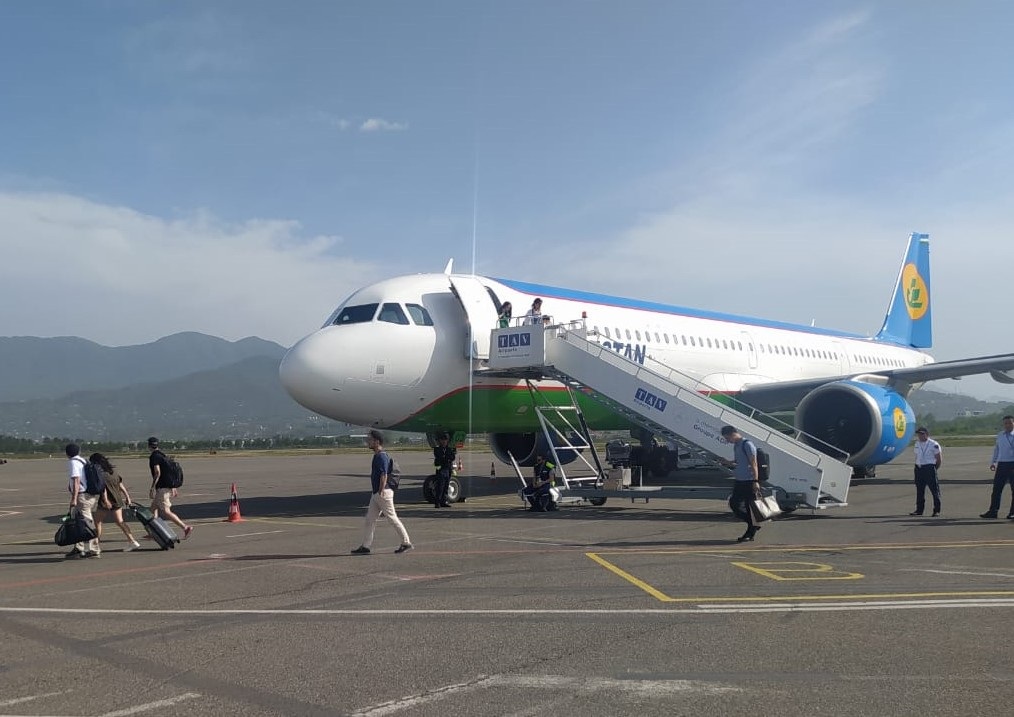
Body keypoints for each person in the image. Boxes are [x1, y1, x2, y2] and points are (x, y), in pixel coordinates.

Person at [351, 430, 413, 554]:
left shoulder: (381, 456)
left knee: (392, 518)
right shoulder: (378, 455)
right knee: (370, 519)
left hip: (383, 492)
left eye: (370, 439)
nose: (368, 442)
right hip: (377, 493)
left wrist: (381, 490)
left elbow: (384, 474)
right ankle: (366, 546)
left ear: (377, 441)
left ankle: (406, 542)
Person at [91, 453, 141, 551]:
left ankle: (95, 545)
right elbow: (120, 484)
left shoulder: (100, 474)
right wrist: (127, 496)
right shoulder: (113, 471)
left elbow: (103, 489)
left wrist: (105, 500)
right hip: (117, 499)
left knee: (97, 521)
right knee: (120, 521)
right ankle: (132, 541)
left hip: (106, 500)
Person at [720, 425, 761, 542]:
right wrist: (728, 462)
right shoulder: (736, 445)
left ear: (733, 434)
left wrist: (755, 481)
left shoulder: (747, 444)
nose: (727, 441)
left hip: (749, 481)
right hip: (739, 480)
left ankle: (750, 532)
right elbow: (739, 462)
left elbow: (754, 464)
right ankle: (753, 524)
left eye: (727, 438)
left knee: (749, 507)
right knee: (734, 504)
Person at [147, 437, 193, 539]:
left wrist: (152, 488)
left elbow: (157, 472)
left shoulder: (154, 456)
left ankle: (185, 527)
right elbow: (168, 472)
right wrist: (173, 487)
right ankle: (153, 532)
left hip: (162, 488)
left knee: (166, 511)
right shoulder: (162, 455)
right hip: (166, 487)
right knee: (153, 509)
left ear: (149, 446)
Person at [64, 443, 100, 558]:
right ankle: (79, 547)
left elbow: (76, 480)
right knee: (78, 522)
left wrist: (74, 498)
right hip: (88, 495)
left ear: (67, 453)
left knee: (87, 523)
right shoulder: (83, 461)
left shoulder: (73, 462)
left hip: (82, 496)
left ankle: (94, 549)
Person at [981, 415, 1014, 519]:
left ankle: (1012, 513)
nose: (1007, 425)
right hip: (1002, 464)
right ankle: (993, 511)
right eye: (1005, 423)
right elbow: (997, 449)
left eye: (1010, 423)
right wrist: (993, 462)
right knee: (996, 489)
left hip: (1013, 464)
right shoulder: (1000, 435)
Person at [910, 427, 942, 517]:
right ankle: (919, 510)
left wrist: (934, 468)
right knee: (919, 490)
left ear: (927, 434)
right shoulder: (917, 443)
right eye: (918, 434)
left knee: (934, 490)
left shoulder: (934, 444)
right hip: (919, 468)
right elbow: (917, 455)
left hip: (929, 467)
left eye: (922, 434)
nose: (920, 436)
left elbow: (939, 458)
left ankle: (936, 510)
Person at [431, 433, 456, 508]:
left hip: (447, 469)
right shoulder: (437, 449)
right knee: (440, 487)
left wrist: (446, 458)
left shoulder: (449, 449)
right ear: (440, 441)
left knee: (446, 486)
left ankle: (443, 501)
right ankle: (437, 502)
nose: (444, 441)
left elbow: (452, 457)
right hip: (441, 470)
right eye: (442, 440)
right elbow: (439, 457)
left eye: (445, 440)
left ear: (447, 441)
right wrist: (447, 458)